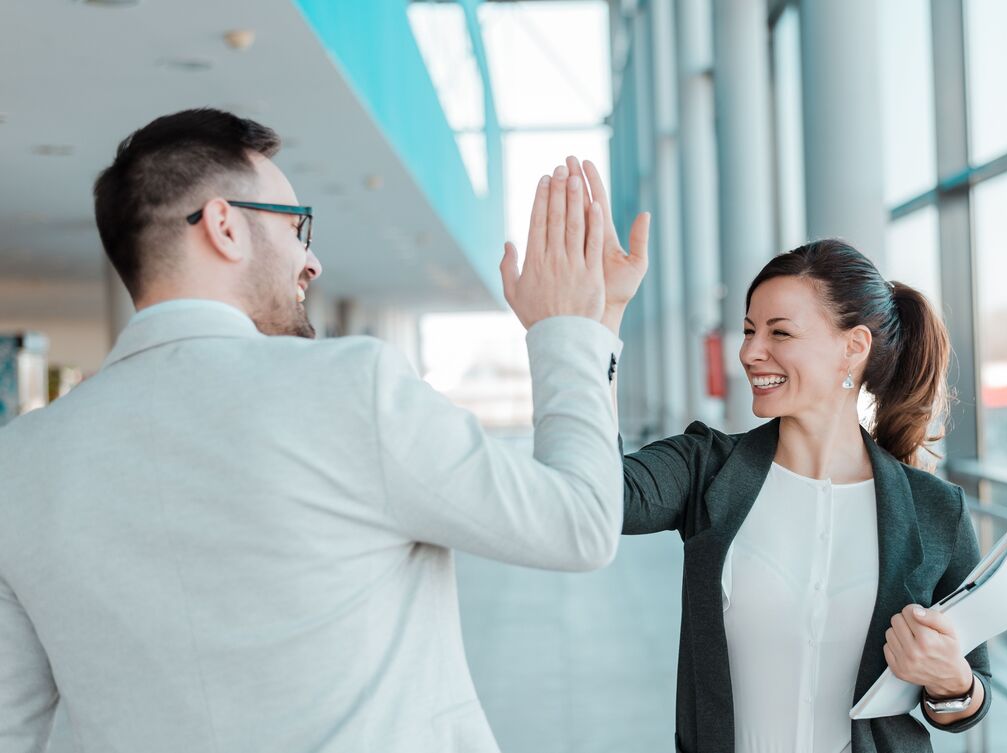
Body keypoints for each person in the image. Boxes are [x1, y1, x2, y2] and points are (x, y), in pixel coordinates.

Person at [0, 108, 640, 752]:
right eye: (296, 226)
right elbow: (579, 525)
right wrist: (572, 330)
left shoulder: (18, 462)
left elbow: (13, 725)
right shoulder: (349, 388)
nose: (313, 262)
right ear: (224, 226)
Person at [607, 238, 992, 753]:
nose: (748, 352)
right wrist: (600, 328)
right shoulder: (705, 468)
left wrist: (952, 682)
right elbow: (599, 496)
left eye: (779, 332)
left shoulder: (935, 510)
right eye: (748, 331)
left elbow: (971, 695)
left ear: (853, 347)